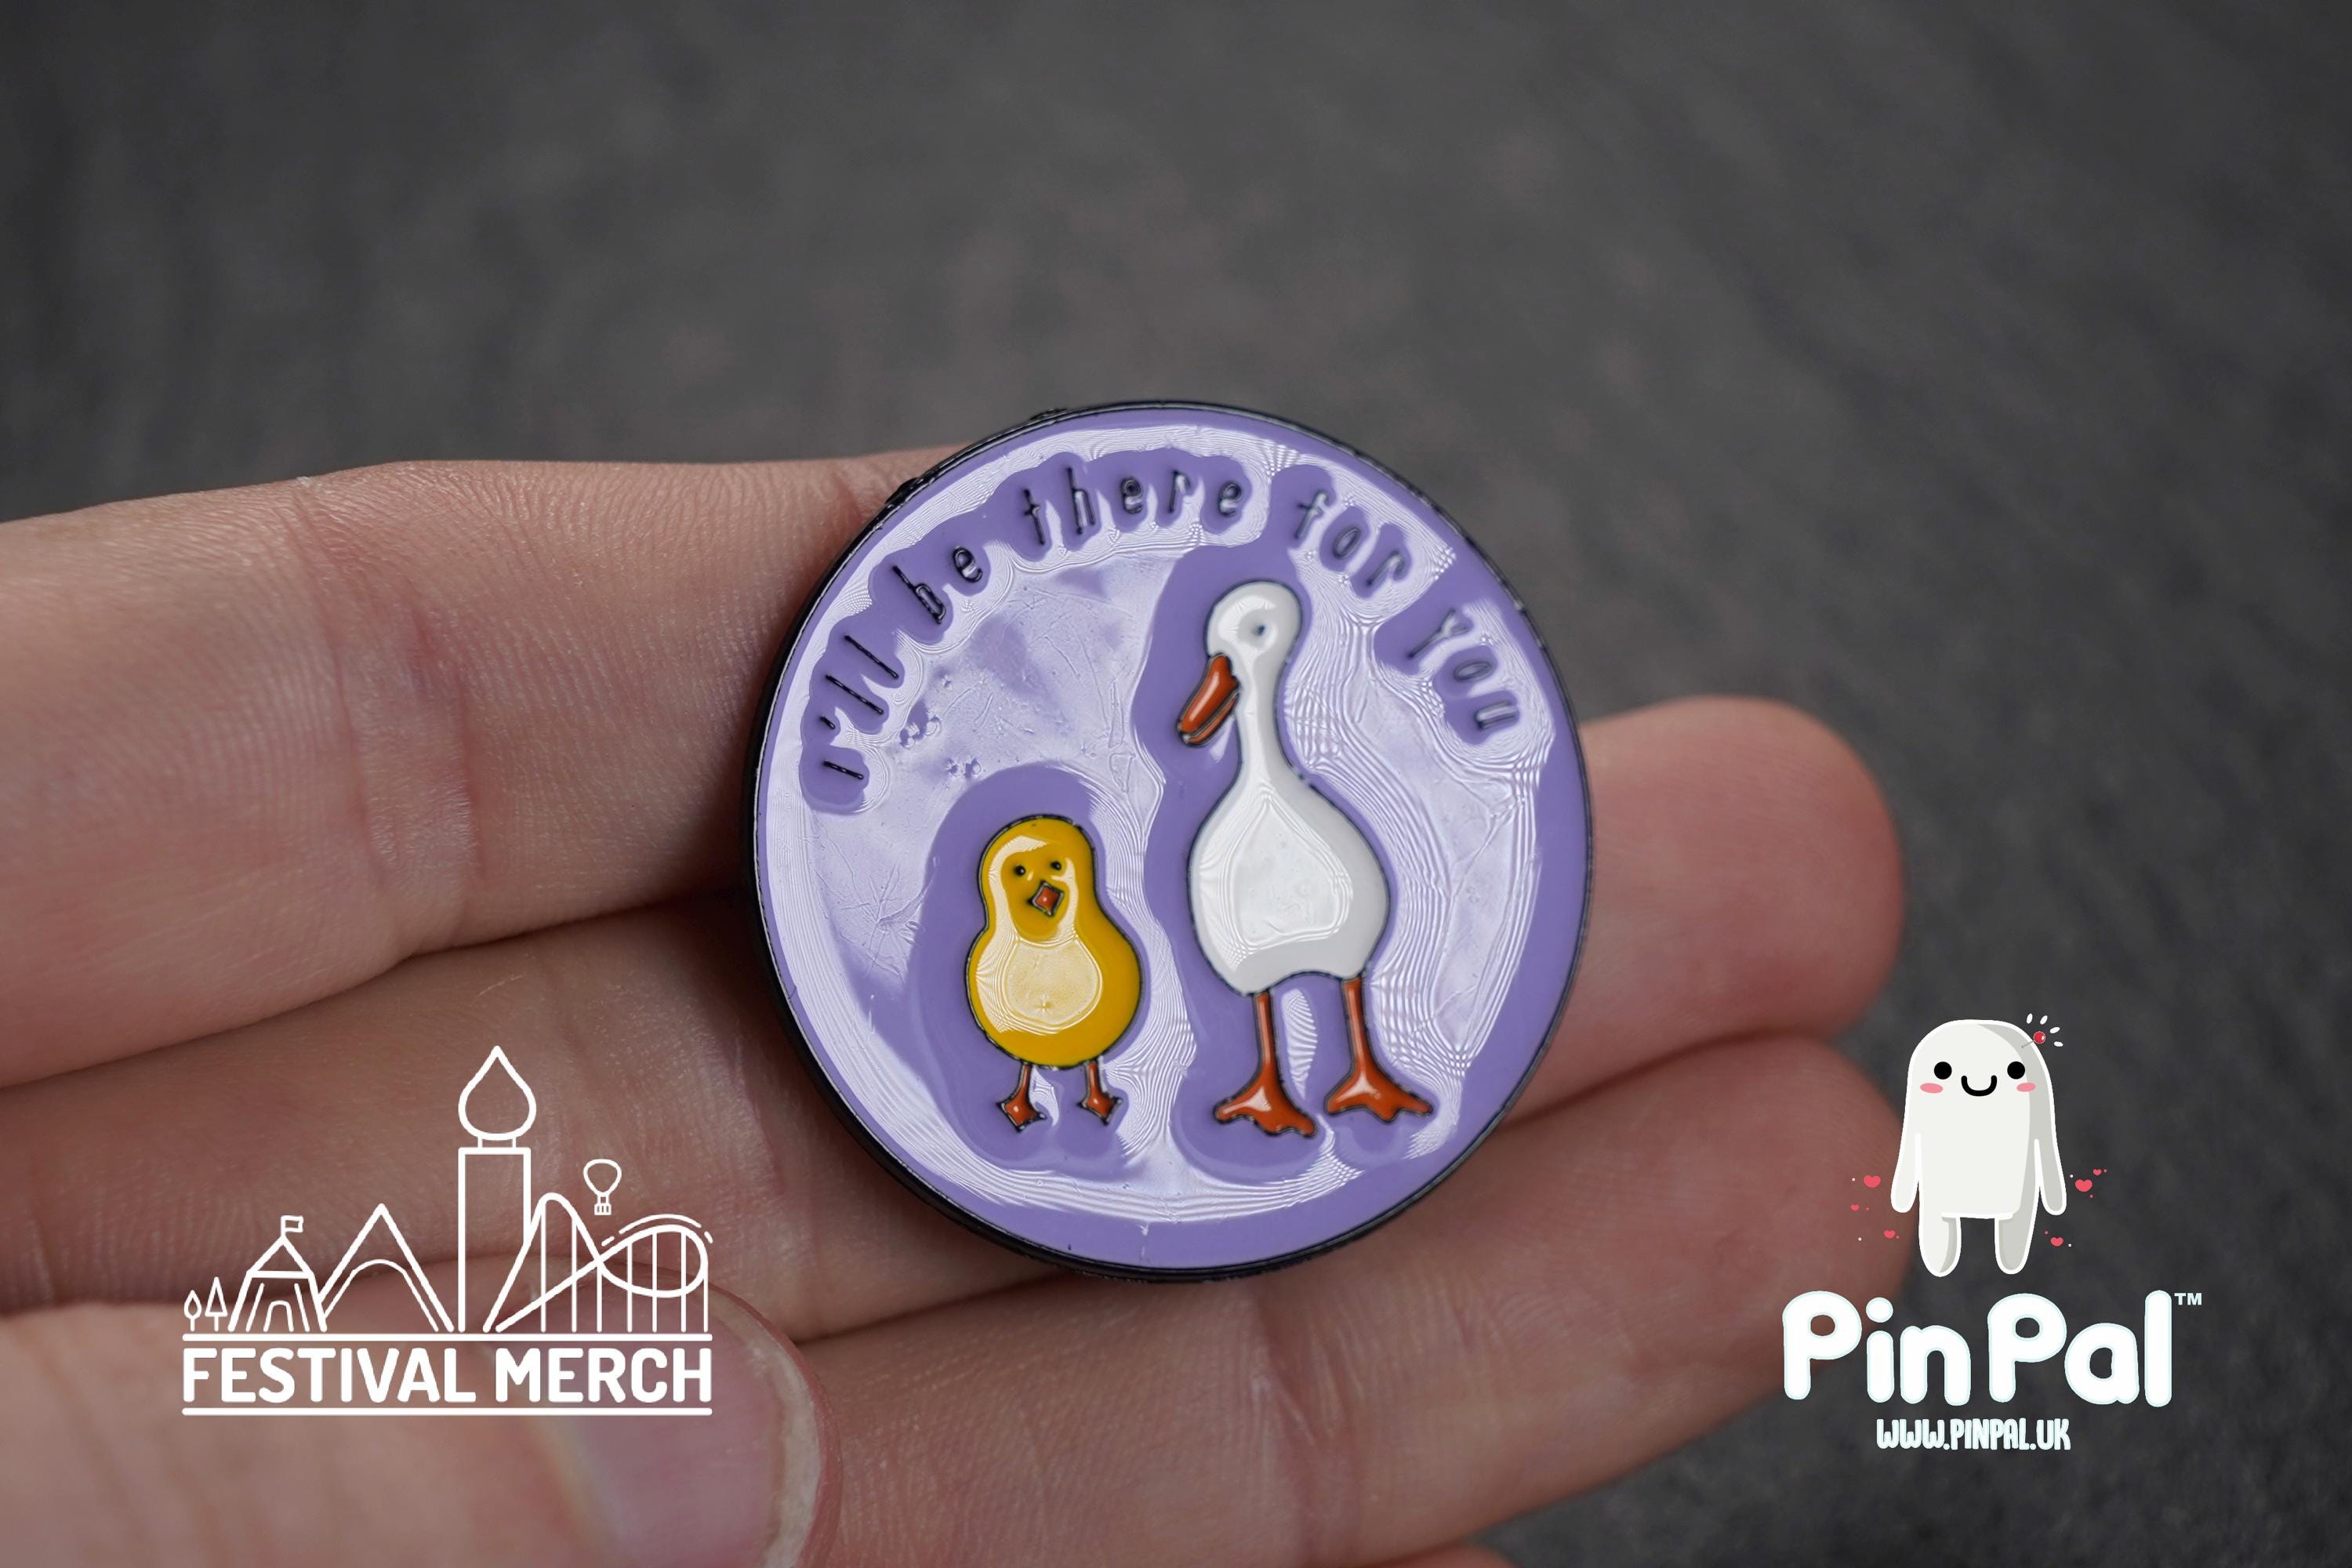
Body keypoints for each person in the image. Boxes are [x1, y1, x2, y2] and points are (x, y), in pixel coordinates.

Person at [0, 451, 1906, 1566]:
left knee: (1305, 944)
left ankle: (1326, 1073)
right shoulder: (1089, 893)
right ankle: (1275, 1078)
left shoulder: (1267, 821)